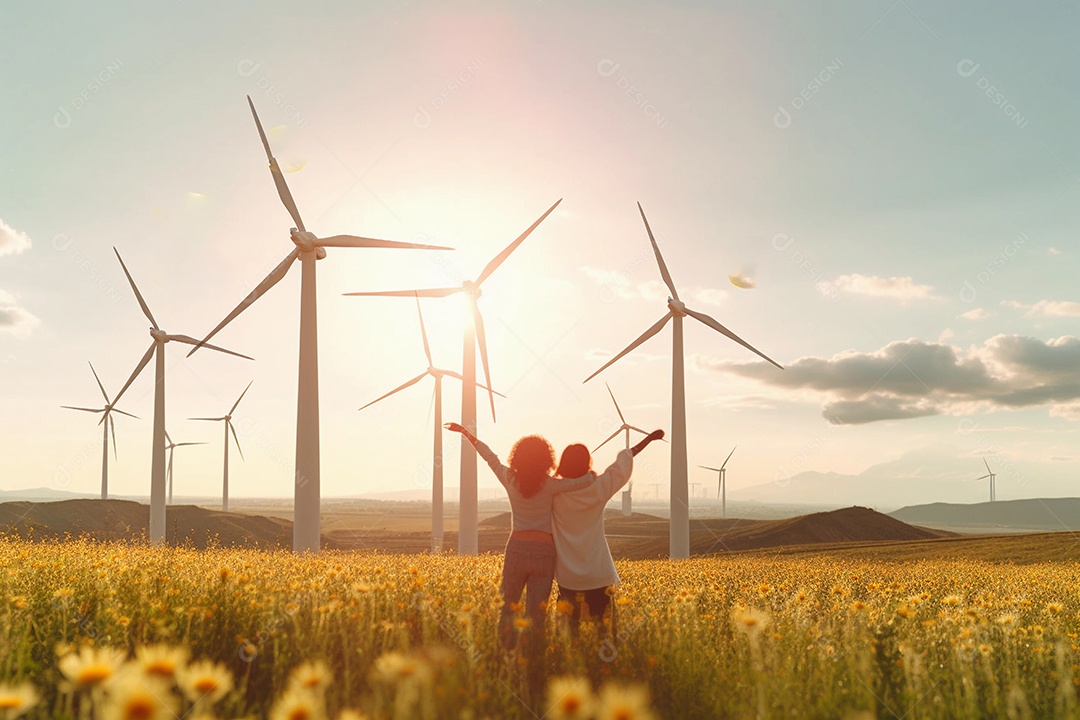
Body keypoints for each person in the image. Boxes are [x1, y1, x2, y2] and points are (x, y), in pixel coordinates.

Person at [444, 422, 595, 654]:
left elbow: (490, 457)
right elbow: (579, 482)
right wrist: (592, 475)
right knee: (536, 613)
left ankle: (506, 653)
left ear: (517, 457)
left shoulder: (509, 478)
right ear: (546, 459)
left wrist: (466, 433)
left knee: (507, 607)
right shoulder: (550, 485)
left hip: (516, 549)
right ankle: (532, 656)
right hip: (544, 552)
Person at [552, 429, 664, 637]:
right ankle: (605, 656)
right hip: (598, 572)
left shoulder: (554, 493)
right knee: (604, 632)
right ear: (587, 463)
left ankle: (567, 656)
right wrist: (649, 439)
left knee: (567, 633)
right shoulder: (599, 487)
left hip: (568, 575)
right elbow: (622, 464)